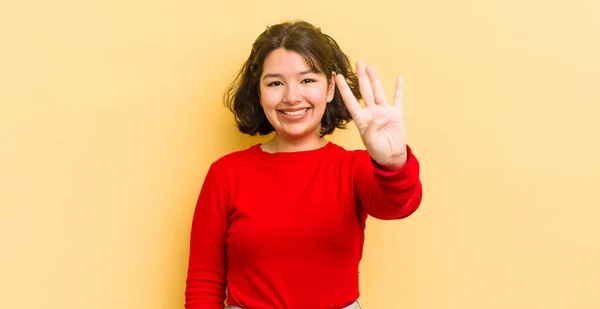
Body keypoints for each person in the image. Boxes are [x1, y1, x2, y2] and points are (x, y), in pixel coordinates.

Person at [184, 20, 423, 309]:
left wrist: (393, 161)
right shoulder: (226, 173)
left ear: (331, 89)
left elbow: (398, 205)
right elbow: (203, 281)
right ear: (259, 93)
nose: (292, 97)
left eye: (307, 80)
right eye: (275, 83)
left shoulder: (353, 168)